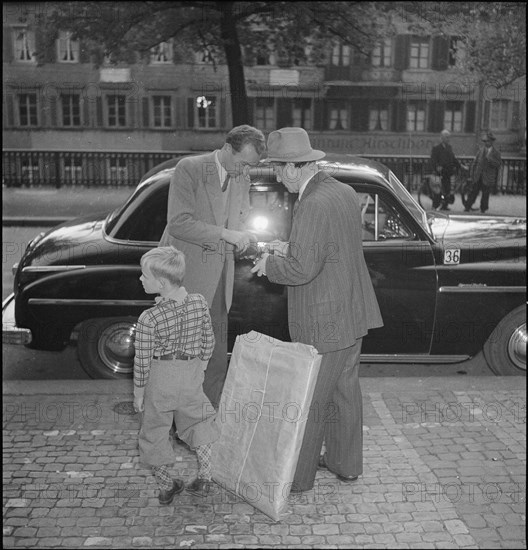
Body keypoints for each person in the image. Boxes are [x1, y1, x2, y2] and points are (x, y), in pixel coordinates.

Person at [251, 127, 383, 493]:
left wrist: (269, 264)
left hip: (325, 321)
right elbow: (328, 246)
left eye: (278, 170)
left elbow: (302, 269)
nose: (277, 177)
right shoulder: (340, 191)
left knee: (311, 400)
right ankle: (345, 463)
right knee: (344, 392)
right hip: (352, 311)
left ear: (295, 167)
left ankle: (299, 477)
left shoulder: (311, 204)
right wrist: (288, 245)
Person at [159, 125, 266, 409]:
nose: (244, 170)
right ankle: (179, 423)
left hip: (220, 277)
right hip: (185, 275)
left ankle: (208, 419)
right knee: (183, 357)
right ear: (228, 148)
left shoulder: (241, 175)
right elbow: (178, 223)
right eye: (242, 162)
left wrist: (246, 234)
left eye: (250, 166)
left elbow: (240, 218)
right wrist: (226, 234)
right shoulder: (190, 168)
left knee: (216, 356)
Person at [133, 246, 219, 502]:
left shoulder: (149, 318)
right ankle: (205, 477)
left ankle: (166, 486)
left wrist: (138, 393)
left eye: (144, 275)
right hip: (191, 374)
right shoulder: (199, 302)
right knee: (199, 423)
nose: (140, 279)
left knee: (155, 431)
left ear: (160, 282)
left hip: (160, 379)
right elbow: (209, 340)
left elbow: (142, 361)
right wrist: (200, 367)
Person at [464, 131, 502, 213]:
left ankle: (483, 209)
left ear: (492, 142)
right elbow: (475, 163)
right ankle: (468, 206)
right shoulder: (480, 151)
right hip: (478, 176)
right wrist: (472, 174)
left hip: (488, 177)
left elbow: (498, 164)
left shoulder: (496, 153)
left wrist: (490, 160)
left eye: (488, 141)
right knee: (473, 191)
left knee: (485, 194)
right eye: (485, 141)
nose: (486, 143)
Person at [429, 129, 464, 210]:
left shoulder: (449, 147)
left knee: (447, 190)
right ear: (442, 138)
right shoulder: (436, 148)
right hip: (440, 173)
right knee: (438, 190)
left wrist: (460, 166)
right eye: (446, 137)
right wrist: (437, 167)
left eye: (449, 137)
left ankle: (445, 205)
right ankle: (435, 206)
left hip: (448, 172)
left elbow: (453, 158)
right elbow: (433, 160)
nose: (448, 139)